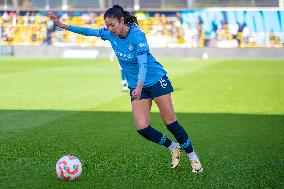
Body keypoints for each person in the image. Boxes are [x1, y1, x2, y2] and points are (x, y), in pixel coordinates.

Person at [47, 5, 203, 173]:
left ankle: (193, 157)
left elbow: (143, 63)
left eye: (112, 25)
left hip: (155, 80)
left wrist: (139, 85)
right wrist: (63, 25)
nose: (109, 29)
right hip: (137, 86)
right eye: (107, 25)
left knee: (170, 122)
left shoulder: (137, 35)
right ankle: (172, 146)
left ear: (122, 21)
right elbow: (88, 31)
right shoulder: (110, 35)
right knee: (142, 127)